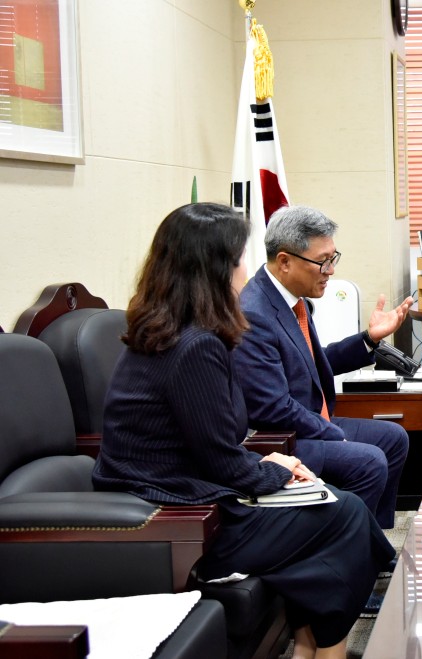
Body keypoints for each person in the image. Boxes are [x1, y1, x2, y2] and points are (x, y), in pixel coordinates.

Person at [93, 203, 394, 659]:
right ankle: (325, 649)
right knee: (344, 514)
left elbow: (210, 443)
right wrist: (277, 470)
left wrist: (268, 463)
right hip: (181, 513)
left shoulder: (179, 328)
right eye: (238, 258)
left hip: (196, 487)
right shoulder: (193, 345)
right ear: (213, 269)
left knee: (341, 509)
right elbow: (220, 457)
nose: (245, 269)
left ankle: (311, 645)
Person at [234, 205, 412, 529]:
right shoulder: (254, 314)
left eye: (333, 257)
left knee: (393, 438)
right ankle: (345, 548)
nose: (330, 270)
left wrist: (368, 340)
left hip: (310, 420)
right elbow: (272, 408)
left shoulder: (293, 298)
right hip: (281, 439)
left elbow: (311, 365)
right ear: (285, 261)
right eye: (323, 261)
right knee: (369, 461)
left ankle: (374, 541)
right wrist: (332, 433)